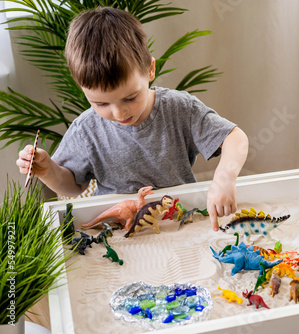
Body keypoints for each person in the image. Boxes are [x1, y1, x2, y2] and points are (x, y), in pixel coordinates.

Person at [16, 7, 248, 231]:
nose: (118, 113)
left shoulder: (180, 108)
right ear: (83, 89)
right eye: (101, 104)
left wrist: (224, 177)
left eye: (130, 98)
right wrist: (47, 171)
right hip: (116, 229)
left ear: (150, 70)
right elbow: (73, 187)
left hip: (178, 219)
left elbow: (235, 138)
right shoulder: (86, 130)